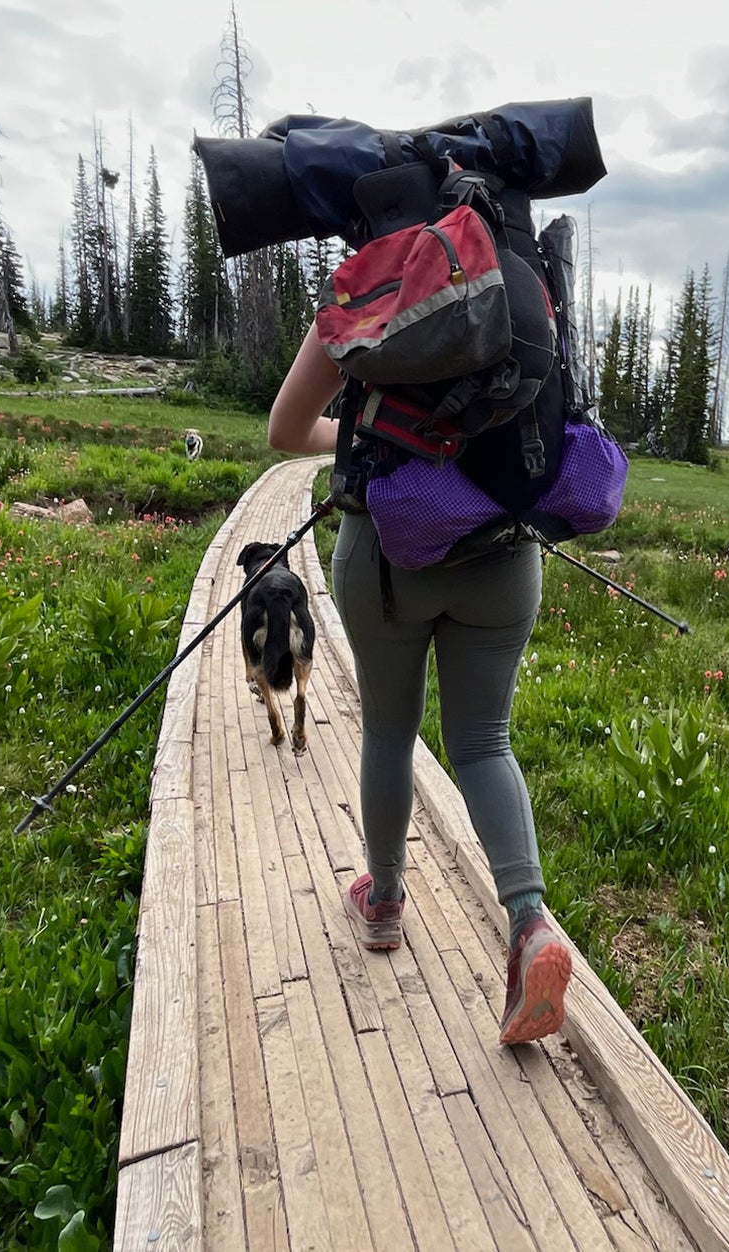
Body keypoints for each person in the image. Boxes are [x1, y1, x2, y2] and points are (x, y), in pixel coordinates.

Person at [267, 322, 573, 1047]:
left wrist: (352, 440)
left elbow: (286, 430)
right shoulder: (518, 278)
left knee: (389, 732)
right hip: (504, 553)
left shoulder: (368, 284)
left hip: (386, 553)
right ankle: (528, 922)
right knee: (483, 743)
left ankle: (383, 899)